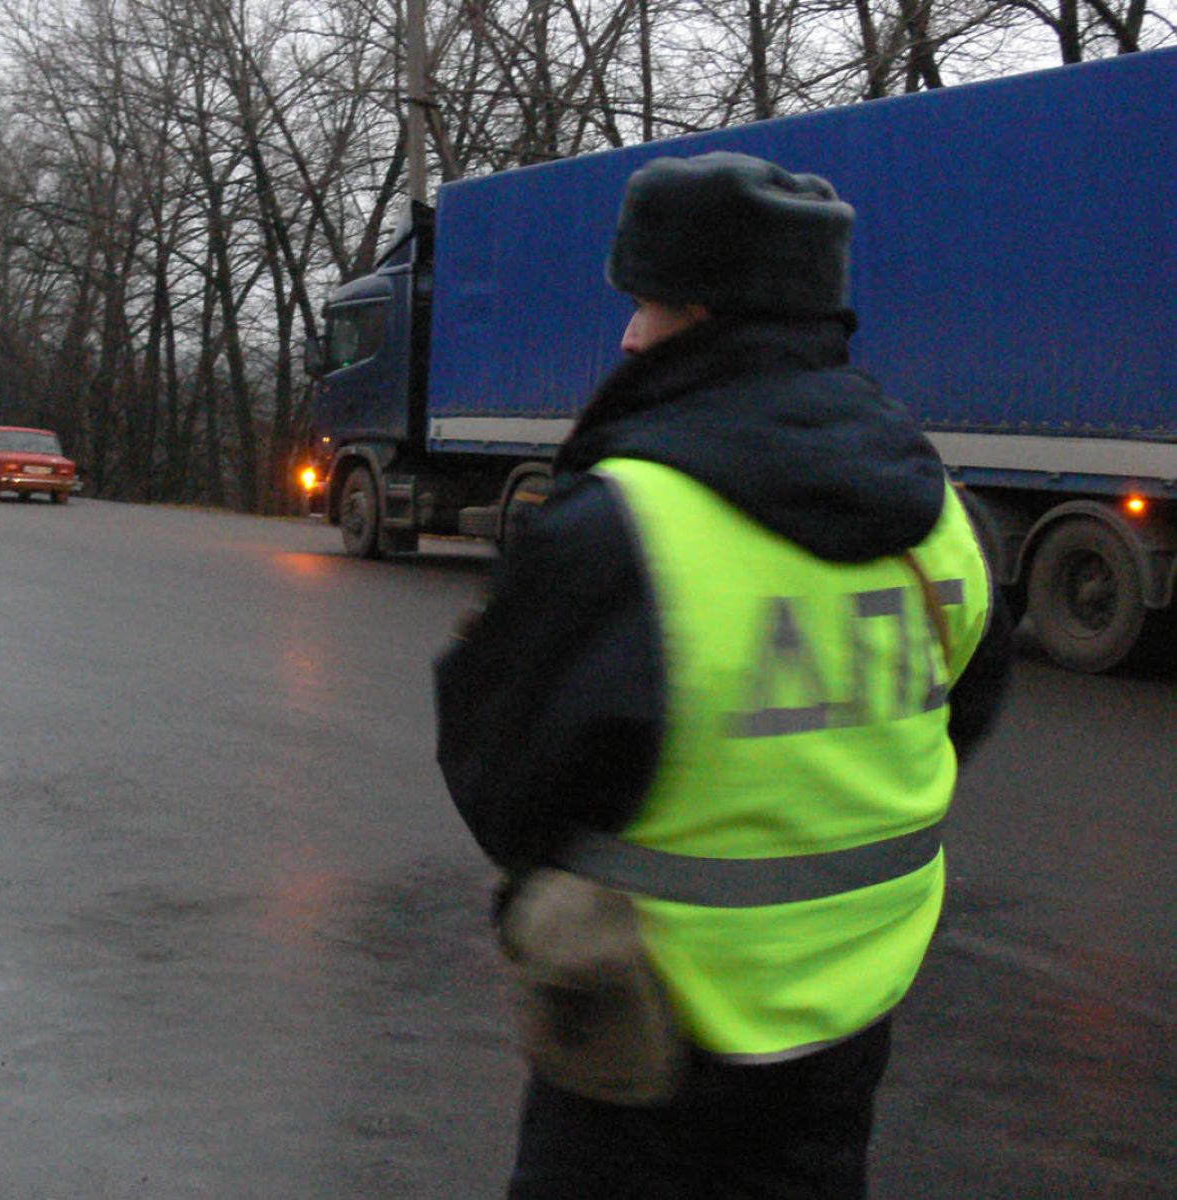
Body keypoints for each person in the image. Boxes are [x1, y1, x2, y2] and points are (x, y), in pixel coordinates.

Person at [434, 152, 1014, 1198]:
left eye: (647, 303)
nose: (626, 333)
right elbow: (954, 719)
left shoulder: (625, 525)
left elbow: (502, 777)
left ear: (704, 313)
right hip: (850, 1017)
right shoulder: (947, 522)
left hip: (646, 1034)